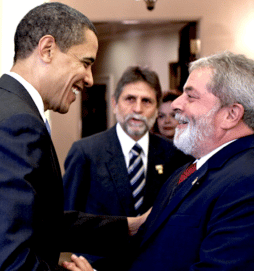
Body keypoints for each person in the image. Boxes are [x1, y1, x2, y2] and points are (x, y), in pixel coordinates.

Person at [0, 3, 148, 271]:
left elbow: (39, 221)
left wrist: (128, 227)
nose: (90, 79)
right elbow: (8, 263)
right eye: (86, 63)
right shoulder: (16, 125)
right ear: (47, 49)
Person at [65, 51, 254, 271]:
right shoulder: (191, 169)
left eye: (190, 96)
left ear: (231, 114)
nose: (175, 104)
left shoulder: (253, 186)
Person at [63, 66, 191, 218]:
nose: (137, 108)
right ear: (114, 104)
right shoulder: (86, 153)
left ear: (157, 109)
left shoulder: (175, 155)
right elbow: (67, 219)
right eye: (130, 99)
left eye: (146, 101)